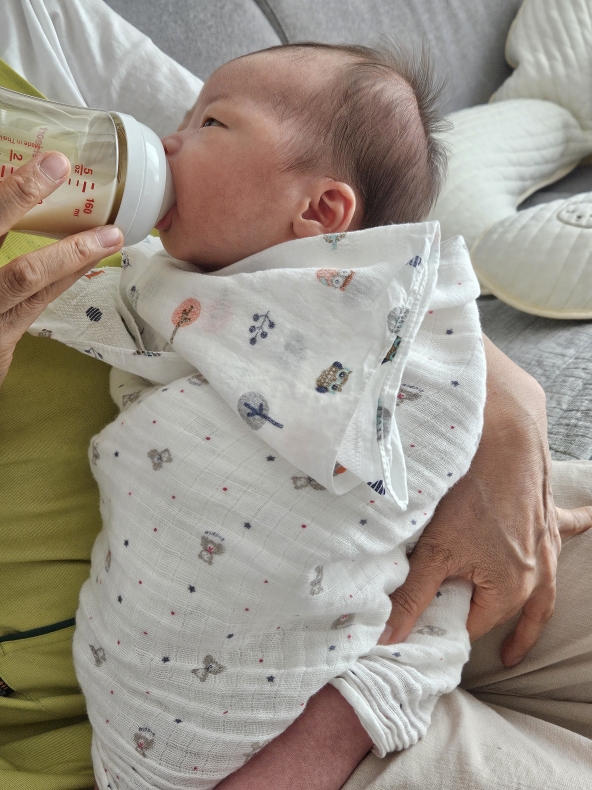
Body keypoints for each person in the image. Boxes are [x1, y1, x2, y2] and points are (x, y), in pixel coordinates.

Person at [1, 2, 591, 789]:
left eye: (203, 123)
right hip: (214, 696)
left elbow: (347, 237)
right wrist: (353, 710)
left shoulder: (36, 28)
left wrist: (503, 416)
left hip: (420, 557)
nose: (168, 142)